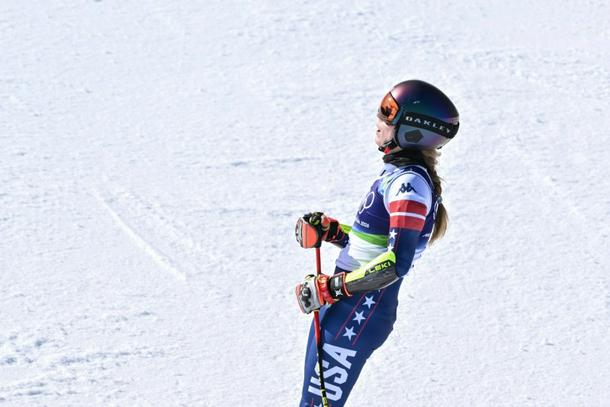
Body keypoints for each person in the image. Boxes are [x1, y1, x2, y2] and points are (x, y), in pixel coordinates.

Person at [294, 79, 460, 406]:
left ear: (413, 130)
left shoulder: (409, 185)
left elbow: (396, 262)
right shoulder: (399, 176)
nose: (379, 120)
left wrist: (333, 287)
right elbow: (371, 245)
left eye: (388, 113)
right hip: (350, 305)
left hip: (361, 309)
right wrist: (332, 232)